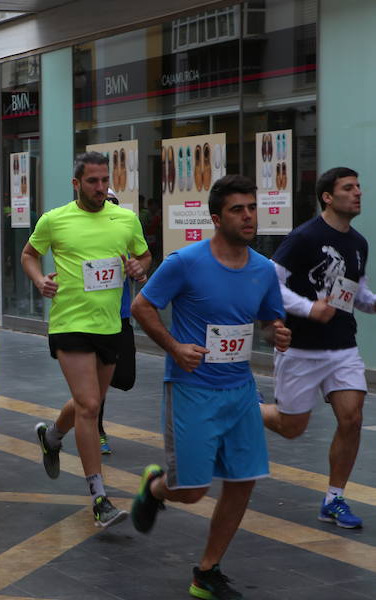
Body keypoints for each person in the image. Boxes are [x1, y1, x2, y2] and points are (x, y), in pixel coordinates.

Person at [130, 175, 290, 600]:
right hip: (191, 388)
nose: (249, 216)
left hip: (241, 390)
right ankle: (155, 487)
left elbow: (270, 319)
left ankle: (207, 571)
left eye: (252, 208)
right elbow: (141, 306)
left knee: (243, 481)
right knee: (192, 490)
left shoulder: (262, 269)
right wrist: (174, 346)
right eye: (238, 209)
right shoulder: (185, 262)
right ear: (216, 218)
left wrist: (277, 333)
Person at [24, 152, 150, 528]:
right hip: (69, 323)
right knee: (91, 405)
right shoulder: (55, 220)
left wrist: (139, 267)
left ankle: (52, 435)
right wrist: (38, 280)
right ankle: (99, 497)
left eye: (104, 181)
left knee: (87, 403)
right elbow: (29, 254)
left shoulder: (125, 219)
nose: (100, 188)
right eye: (92, 181)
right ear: (76, 183)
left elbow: (144, 256)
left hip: (110, 324)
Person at [262, 166, 374, 529]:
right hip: (301, 348)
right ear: (328, 196)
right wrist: (310, 308)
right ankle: (245, 405)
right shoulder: (304, 237)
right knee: (291, 426)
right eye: (348, 188)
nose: (357, 193)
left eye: (358, 187)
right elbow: (271, 283)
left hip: (342, 346)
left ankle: (334, 499)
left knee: (352, 419)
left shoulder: (358, 243)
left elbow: (357, 293)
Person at [97, 189, 140, 455]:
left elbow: (141, 267)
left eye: (114, 205)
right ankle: (97, 429)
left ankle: (85, 392)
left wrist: (137, 269)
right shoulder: (85, 239)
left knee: (125, 378)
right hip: (93, 320)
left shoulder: (124, 239)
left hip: (121, 316)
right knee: (94, 387)